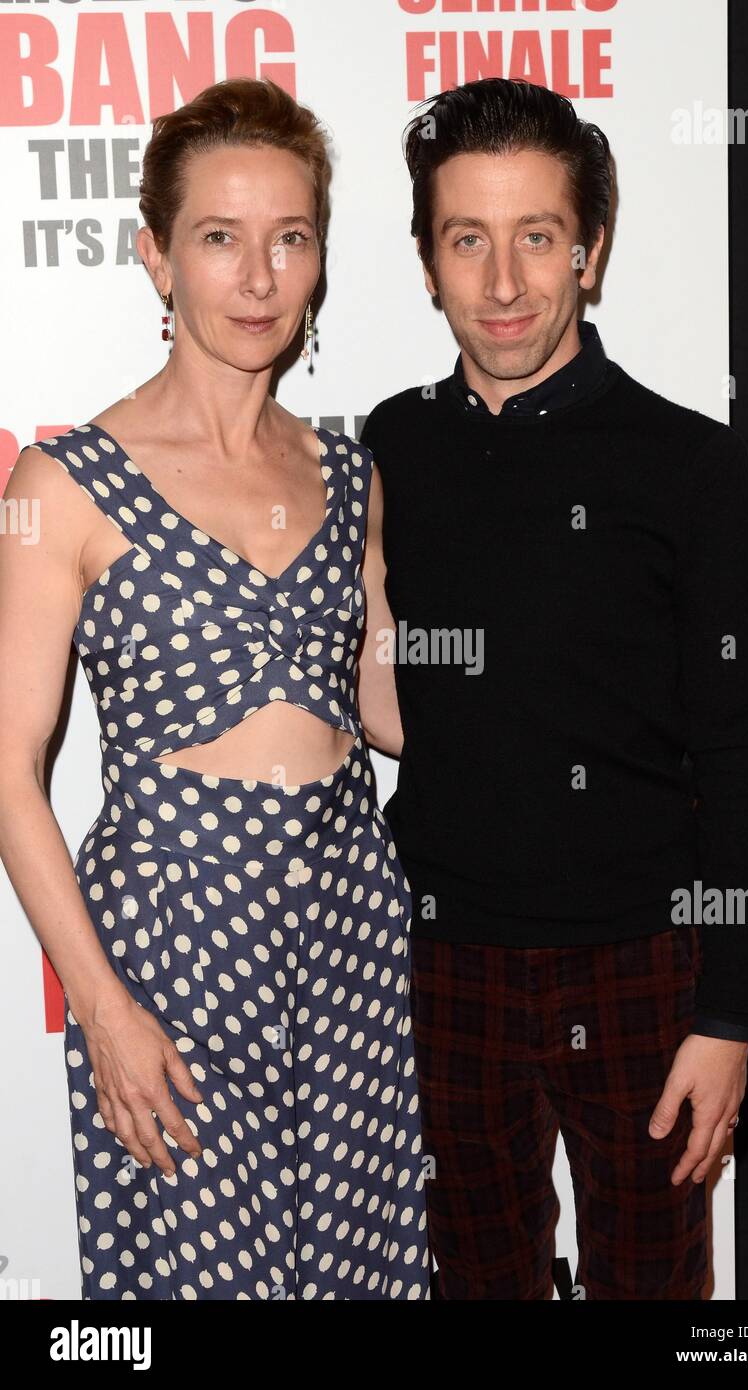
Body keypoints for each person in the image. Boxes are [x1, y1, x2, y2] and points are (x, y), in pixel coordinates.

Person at [0, 77, 428, 1301]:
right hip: (170, 948)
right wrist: (102, 1008)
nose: (258, 278)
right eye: (220, 239)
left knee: (361, 1273)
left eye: (290, 238)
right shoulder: (63, 479)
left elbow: (392, 708)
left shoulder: (349, 474)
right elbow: (9, 766)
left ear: (320, 260)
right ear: (156, 257)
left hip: (350, 930)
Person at [359, 78, 748, 1300]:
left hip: (645, 963)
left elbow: (741, 746)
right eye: (466, 240)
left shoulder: (690, 463)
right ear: (426, 259)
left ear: (589, 251)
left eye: (536, 237)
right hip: (442, 965)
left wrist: (732, 1004)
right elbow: (385, 692)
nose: (501, 284)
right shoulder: (392, 445)